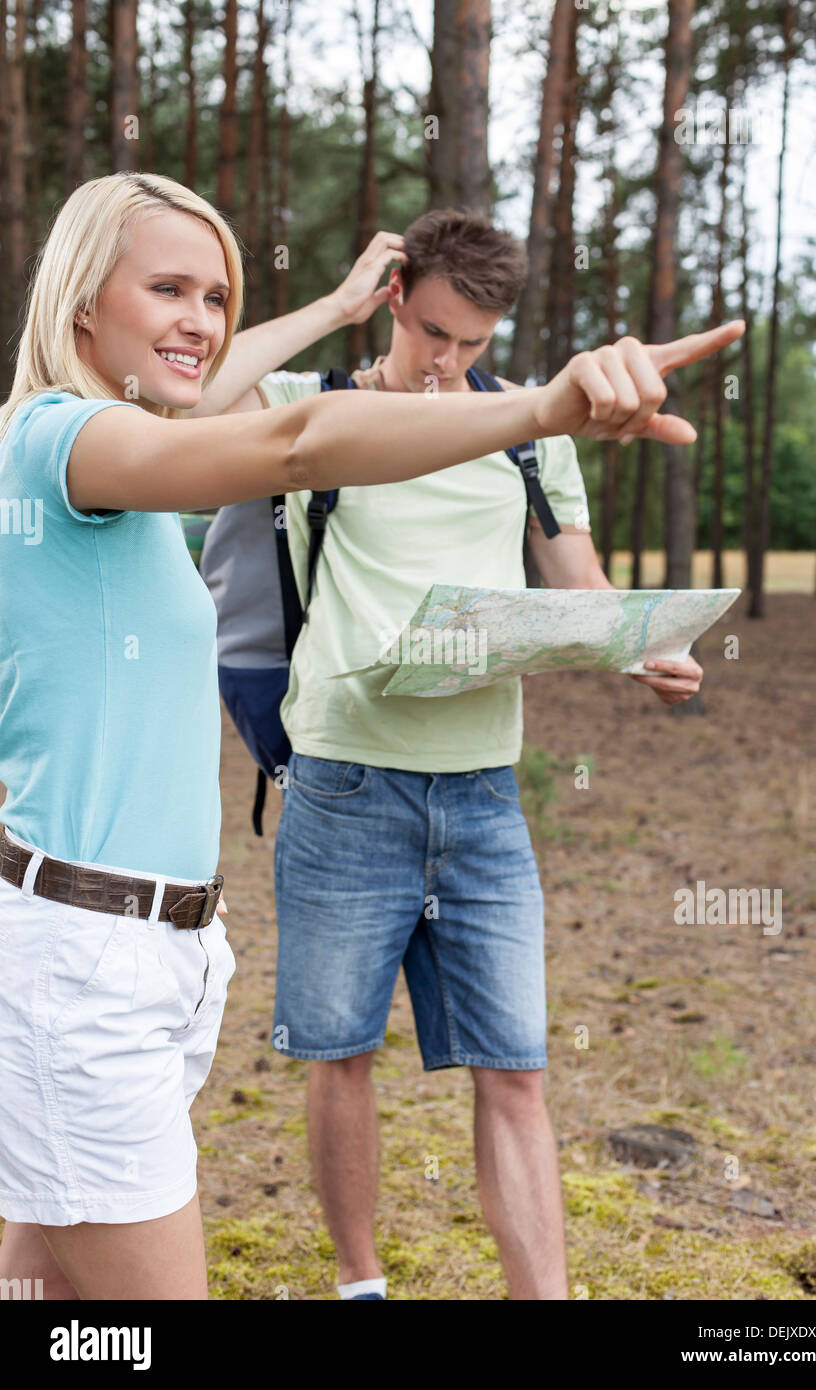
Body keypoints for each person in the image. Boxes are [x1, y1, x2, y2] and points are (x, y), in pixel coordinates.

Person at [0, 174, 688, 1302]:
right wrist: (540, 404)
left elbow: (210, 391)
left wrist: (327, 305)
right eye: (166, 287)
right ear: (80, 299)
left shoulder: (114, 460)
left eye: (216, 294)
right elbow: (294, 443)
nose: (202, 319)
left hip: (147, 944)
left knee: (46, 1288)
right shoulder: (66, 444)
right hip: (89, 953)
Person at [199, 208, 744, 1300]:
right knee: (340, 1051)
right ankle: (361, 1284)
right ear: (396, 294)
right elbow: (194, 400)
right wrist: (335, 308)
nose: (449, 362)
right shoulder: (311, 411)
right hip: (344, 781)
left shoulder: (532, 432)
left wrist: (637, 645)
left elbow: (578, 582)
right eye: (434, 331)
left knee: (518, 1067)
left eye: (475, 343)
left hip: (483, 795)